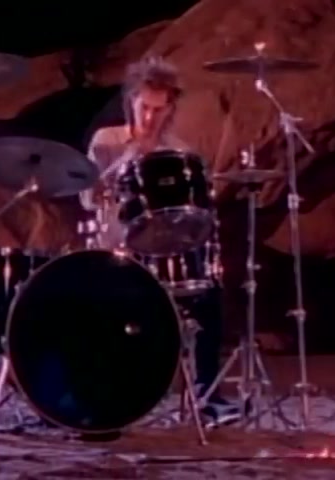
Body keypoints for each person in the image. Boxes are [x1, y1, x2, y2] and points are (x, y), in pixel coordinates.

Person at [82, 57, 240, 424]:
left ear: (170, 108)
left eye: (159, 109)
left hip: (165, 253)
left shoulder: (178, 153)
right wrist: (121, 166)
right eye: (145, 108)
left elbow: (189, 214)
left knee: (209, 291)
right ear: (131, 102)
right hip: (117, 253)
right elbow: (86, 200)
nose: (151, 117)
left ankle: (208, 394)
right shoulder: (106, 141)